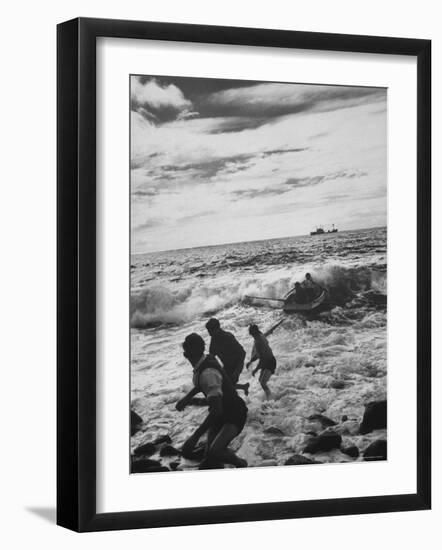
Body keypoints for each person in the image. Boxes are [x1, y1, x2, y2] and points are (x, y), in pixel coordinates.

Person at [178, 333, 248, 468]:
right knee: (210, 457)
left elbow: (216, 411)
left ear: (187, 354)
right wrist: (187, 398)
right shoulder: (206, 360)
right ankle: (223, 457)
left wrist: (195, 436)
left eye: (187, 350)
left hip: (235, 413)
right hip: (222, 412)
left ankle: (241, 464)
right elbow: (200, 385)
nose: (185, 353)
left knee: (215, 451)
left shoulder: (208, 373)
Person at [206, 318, 249, 395]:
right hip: (226, 367)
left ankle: (239, 400)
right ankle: (244, 387)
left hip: (237, 365)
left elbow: (242, 353)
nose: (209, 334)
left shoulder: (228, 337)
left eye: (210, 331)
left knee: (228, 390)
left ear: (217, 328)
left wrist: (237, 371)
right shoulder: (214, 339)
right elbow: (212, 356)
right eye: (208, 331)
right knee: (222, 387)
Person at [246, 324, 277, 400]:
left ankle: (270, 398)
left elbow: (262, 359)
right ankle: (269, 396)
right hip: (270, 360)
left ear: (252, 334)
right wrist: (251, 361)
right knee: (261, 381)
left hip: (269, 362)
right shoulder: (261, 335)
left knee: (262, 382)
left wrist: (255, 370)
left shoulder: (258, 342)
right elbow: (260, 354)